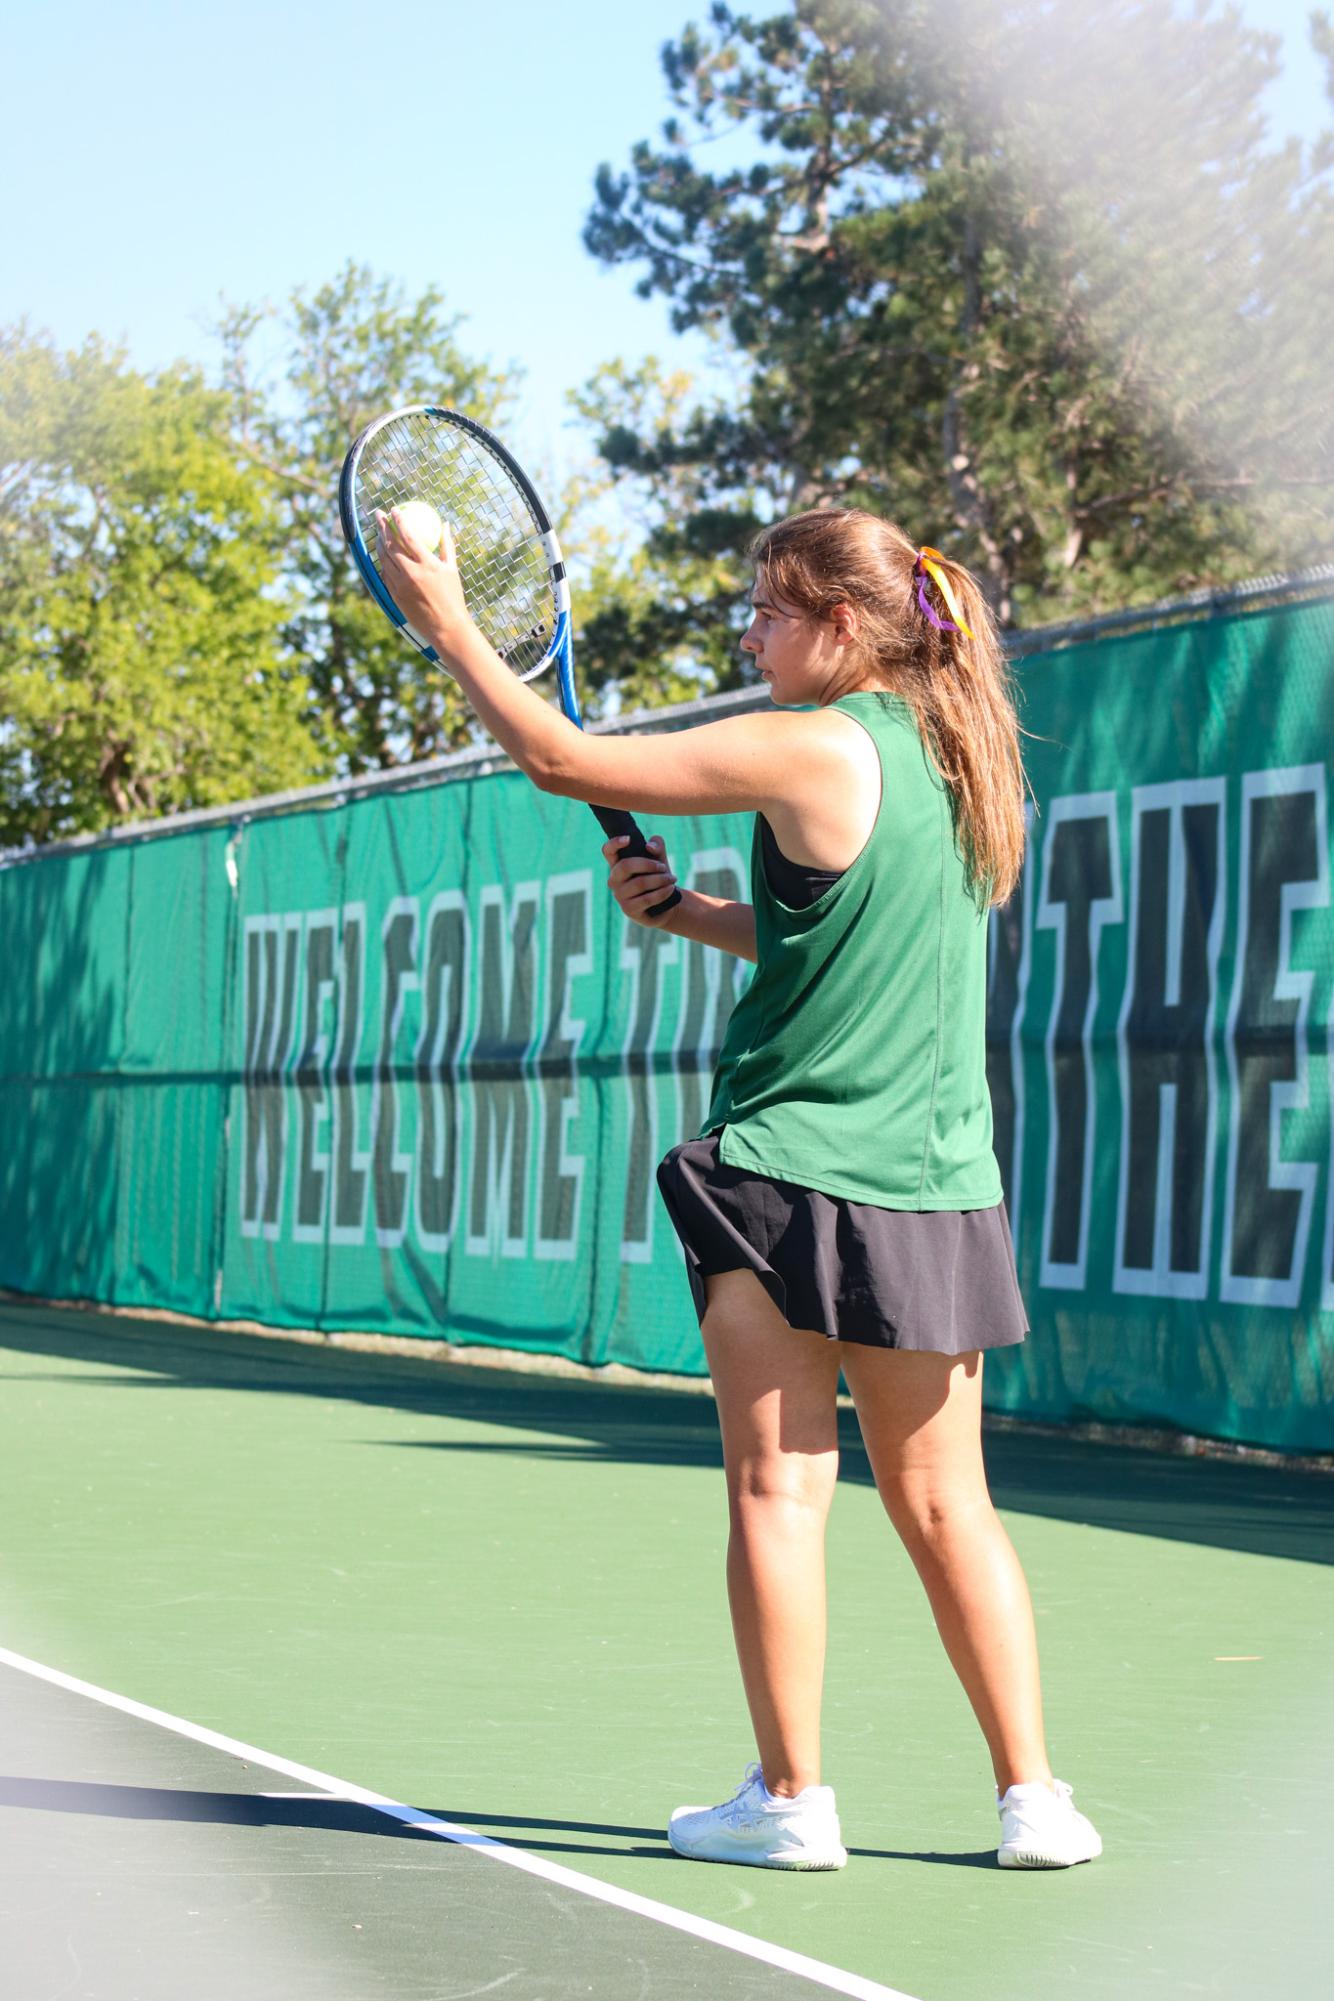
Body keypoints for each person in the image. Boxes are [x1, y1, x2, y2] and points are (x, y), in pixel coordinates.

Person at [376, 502, 1101, 1875]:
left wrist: (446, 617)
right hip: (935, 1189)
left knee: (780, 1490)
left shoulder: (809, 739)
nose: (750, 631)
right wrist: (701, 915)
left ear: (840, 625)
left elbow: (558, 756)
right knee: (952, 1504)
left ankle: (788, 1801)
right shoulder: (963, 760)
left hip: (782, 1173)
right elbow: (846, 942)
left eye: (768, 609)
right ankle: (1036, 1801)